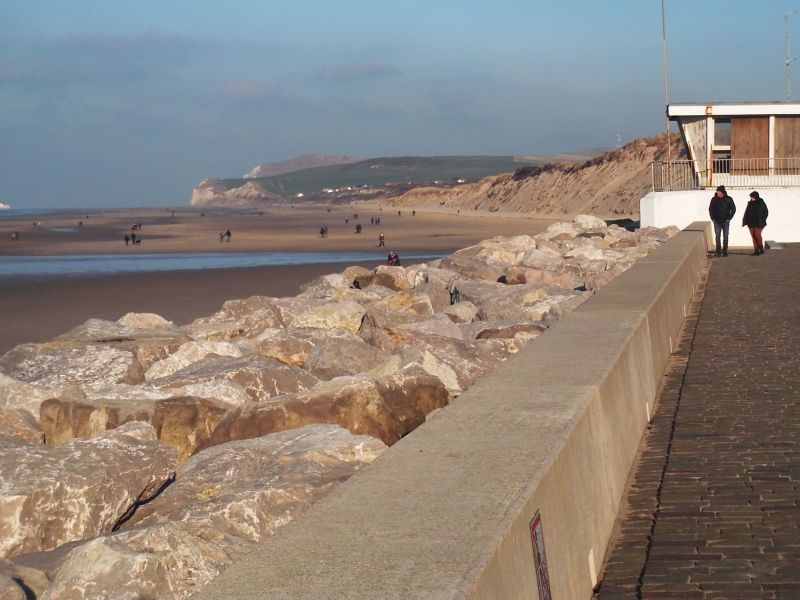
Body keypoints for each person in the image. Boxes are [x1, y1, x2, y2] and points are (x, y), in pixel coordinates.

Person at [708, 185, 736, 256]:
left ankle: (725, 251)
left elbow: (733, 209)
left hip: (726, 221)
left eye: (719, 191)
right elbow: (710, 209)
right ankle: (718, 251)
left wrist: (729, 218)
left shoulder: (729, 199)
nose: (717, 193)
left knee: (725, 236)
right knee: (717, 236)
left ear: (722, 192)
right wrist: (713, 218)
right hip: (717, 221)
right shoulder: (714, 199)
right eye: (717, 191)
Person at [742, 191, 769, 256]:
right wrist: (745, 220)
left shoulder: (761, 203)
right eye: (751, 197)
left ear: (756, 197)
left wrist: (762, 219)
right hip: (750, 222)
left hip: (759, 223)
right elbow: (747, 212)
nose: (751, 198)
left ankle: (761, 247)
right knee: (753, 236)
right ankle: (756, 250)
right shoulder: (750, 203)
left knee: (757, 234)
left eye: (753, 197)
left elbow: (766, 212)